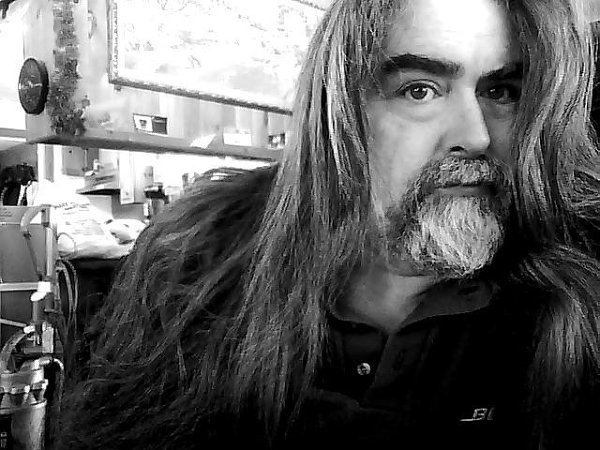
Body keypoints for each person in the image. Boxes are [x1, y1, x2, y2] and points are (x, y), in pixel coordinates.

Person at [58, 0, 600, 448]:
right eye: (420, 89)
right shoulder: (193, 267)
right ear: (339, 113)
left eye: (500, 92)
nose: (476, 135)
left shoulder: (571, 304)